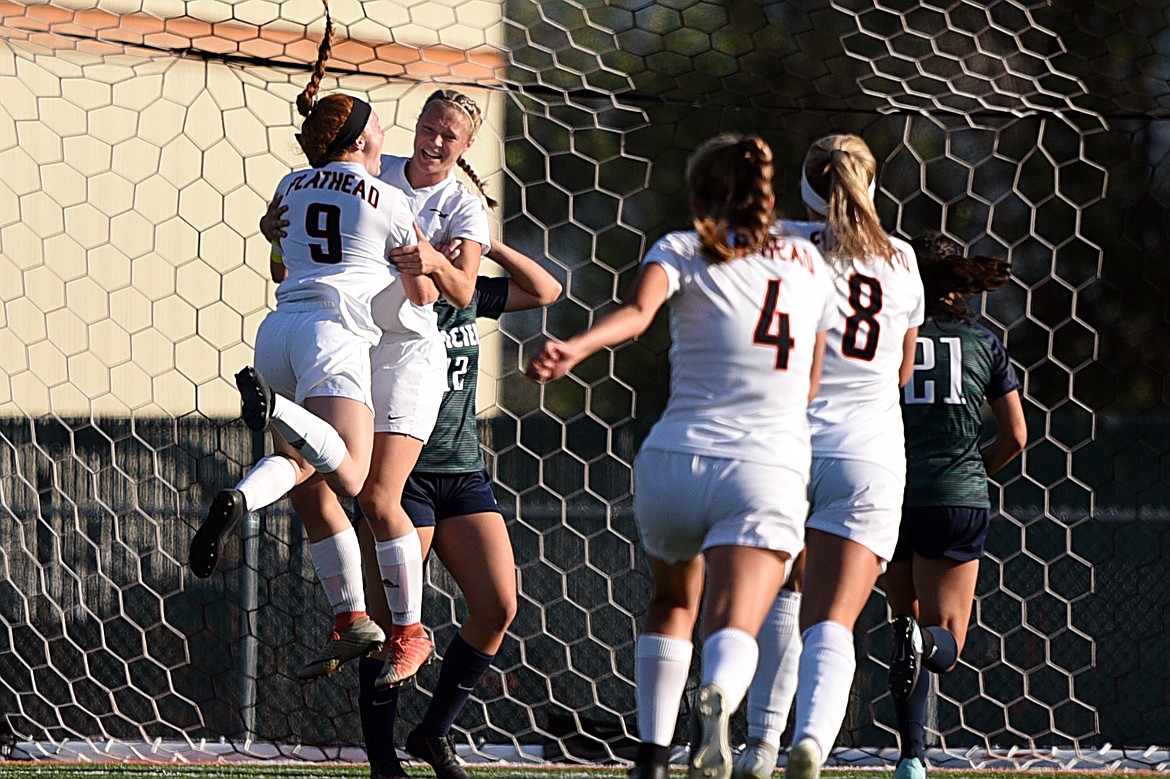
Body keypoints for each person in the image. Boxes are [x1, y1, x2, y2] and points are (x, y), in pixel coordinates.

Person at [529, 134, 837, 779]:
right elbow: (811, 380)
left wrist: (575, 349)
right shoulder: (812, 261)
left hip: (673, 460)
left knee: (672, 603)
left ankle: (650, 756)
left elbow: (639, 315)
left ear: (698, 196)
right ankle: (718, 697)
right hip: (763, 466)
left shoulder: (680, 249)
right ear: (769, 193)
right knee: (734, 624)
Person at [189, 0, 439, 686]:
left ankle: (344, 610)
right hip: (333, 333)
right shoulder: (390, 198)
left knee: (303, 476)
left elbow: (279, 251)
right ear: (360, 139)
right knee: (356, 476)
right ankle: (409, 628)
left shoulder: (288, 186)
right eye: (377, 125)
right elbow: (421, 289)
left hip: (278, 330)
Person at [734, 133, 925, 779]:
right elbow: (903, 371)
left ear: (807, 184)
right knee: (834, 620)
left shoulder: (777, 241)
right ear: (870, 183)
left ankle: (759, 745)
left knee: (783, 593)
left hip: (783, 442)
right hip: (866, 451)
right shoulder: (901, 258)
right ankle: (810, 743)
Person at [356, 238, 561, 779]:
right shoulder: (387, 292)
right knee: (389, 625)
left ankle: (433, 732)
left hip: (464, 473)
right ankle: (382, 763)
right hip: (404, 476)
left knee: (498, 606)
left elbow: (547, 290)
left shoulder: (466, 292)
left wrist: (485, 244)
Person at [882, 231, 1026, 779]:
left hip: (890, 495)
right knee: (942, 642)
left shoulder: (890, 340)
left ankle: (912, 757)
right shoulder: (983, 344)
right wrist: (969, 476)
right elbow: (1015, 436)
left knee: (903, 625)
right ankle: (921, 653)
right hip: (956, 500)